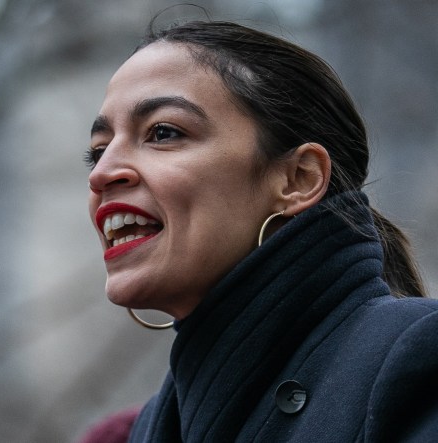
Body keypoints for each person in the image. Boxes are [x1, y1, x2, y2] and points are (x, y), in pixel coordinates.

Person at [81, 19, 438, 442]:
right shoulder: (148, 429)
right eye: (98, 151)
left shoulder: (415, 359)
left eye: (163, 132)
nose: (102, 174)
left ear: (298, 180)